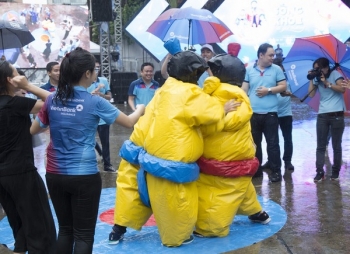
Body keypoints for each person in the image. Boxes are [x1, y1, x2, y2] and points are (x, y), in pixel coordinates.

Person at [109, 51, 236, 247]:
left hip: (139, 149)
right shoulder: (190, 93)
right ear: (192, 73)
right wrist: (222, 108)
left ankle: (118, 229)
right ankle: (178, 237)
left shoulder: (163, 90)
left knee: (132, 192)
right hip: (170, 160)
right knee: (176, 205)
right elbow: (209, 113)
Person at [30, 47, 145, 253]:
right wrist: (140, 109)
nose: (96, 74)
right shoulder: (95, 101)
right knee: (83, 235)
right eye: (95, 70)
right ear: (87, 74)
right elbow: (128, 122)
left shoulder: (52, 99)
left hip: (55, 175)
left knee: (65, 230)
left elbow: (35, 128)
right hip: (84, 176)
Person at [194, 53, 270, 238]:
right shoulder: (219, 92)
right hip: (232, 154)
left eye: (211, 70)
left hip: (226, 157)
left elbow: (231, 120)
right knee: (240, 185)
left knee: (221, 191)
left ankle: (210, 227)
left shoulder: (228, 95)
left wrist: (216, 114)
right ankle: (256, 212)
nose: (208, 73)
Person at [0, 60, 56, 253]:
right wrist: (28, 86)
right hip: (21, 172)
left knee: (19, 222)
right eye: (17, 74)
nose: (20, 77)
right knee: (41, 226)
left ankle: (20, 249)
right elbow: (56, 102)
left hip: (3, 176)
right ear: (9, 80)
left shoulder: (15, 103)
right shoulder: (16, 104)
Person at [242, 43, 287, 182]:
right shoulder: (249, 70)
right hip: (254, 113)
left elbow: (283, 86)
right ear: (261, 55)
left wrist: (268, 90)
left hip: (270, 113)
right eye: (270, 55)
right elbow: (244, 89)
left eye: (273, 55)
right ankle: (256, 170)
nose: (272, 58)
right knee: (255, 143)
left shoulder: (276, 69)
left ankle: (276, 171)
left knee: (272, 143)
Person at [308, 57, 345, 182]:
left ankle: (335, 171)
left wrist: (327, 83)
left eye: (318, 68)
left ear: (326, 67)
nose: (317, 70)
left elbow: (342, 89)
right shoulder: (317, 78)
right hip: (322, 114)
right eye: (315, 68)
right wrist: (311, 79)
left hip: (337, 114)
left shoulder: (336, 74)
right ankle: (319, 171)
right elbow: (311, 94)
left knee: (336, 145)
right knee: (320, 145)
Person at [261, 58, 294, 171]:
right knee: (272, 140)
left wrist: (290, 94)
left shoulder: (288, 79)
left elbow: (295, 94)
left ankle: (287, 161)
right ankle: (272, 161)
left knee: (287, 138)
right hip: (271, 113)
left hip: (285, 114)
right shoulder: (267, 78)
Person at [87, 61, 116, 172]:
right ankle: (95, 158)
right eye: (94, 68)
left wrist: (101, 95)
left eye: (98, 67)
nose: (97, 70)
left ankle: (107, 164)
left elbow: (109, 97)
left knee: (105, 142)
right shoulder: (85, 82)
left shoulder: (103, 80)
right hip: (89, 116)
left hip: (103, 118)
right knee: (89, 140)